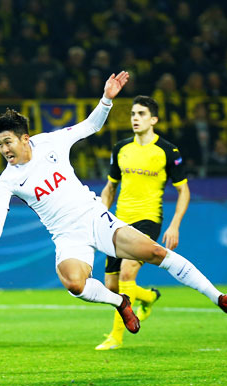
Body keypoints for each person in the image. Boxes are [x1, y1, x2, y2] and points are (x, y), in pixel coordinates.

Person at [0, 72, 227, 339]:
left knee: (155, 253)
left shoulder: (50, 142)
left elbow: (90, 126)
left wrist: (106, 99)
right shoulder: (7, 181)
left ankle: (219, 297)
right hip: (67, 236)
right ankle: (121, 303)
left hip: (95, 217)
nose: (4, 149)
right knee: (74, 284)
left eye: (7, 141)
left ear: (24, 138)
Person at [95, 95, 191, 351]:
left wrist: (175, 225)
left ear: (154, 120)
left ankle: (116, 336)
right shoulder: (121, 149)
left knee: (127, 273)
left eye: (141, 114)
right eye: (133, 114)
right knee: (111, 286)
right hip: (117, 222)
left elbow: (184, 191)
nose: (135, 118)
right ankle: (148, 297)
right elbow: (109, 188)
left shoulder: (168, 151)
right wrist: (100, 215)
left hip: (148, 220)